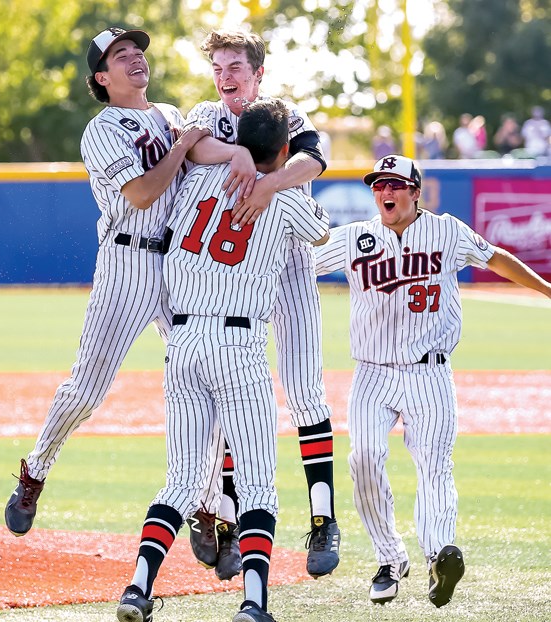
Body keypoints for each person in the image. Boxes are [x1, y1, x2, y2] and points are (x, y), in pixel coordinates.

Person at [116, 98, 330, 622]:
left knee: (182, 482)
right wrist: (276, 181)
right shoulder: (285, 200)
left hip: (183, 342)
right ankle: (253, 604)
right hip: (240, 346)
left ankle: (137, 590)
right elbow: (321, 233)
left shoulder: (193, 180)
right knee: (258, 485)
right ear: (283, 148)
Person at [313, 156, 551, 608]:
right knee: (364, 457)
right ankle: (388, 557)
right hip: (373, 372)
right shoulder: (353, 239)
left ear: (415, 192)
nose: (386, 190)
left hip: (430, 372)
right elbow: (296, 266)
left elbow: (496, 258)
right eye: (379, 183)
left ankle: (438, 554)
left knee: (434, 464)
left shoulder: (446, 231)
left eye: (396, 184)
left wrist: (546, 290)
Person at [3, 28, 209, 537]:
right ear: (102, 77)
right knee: (87, 391)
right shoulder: (102, 128)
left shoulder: (169, 114)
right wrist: (184, 142)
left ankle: (208, 506)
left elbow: (204, 165)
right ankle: (36, 469)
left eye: (137, 50)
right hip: (128, 263)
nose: (135, 56)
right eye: (121, 55)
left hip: (182, 266)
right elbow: (140, 193)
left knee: (203, 383)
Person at [183, 28, 340, 581]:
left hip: (288, 260)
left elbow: (314, 160)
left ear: (258, 74)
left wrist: (268, 182)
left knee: (303, 388)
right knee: (231, 392)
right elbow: (196, 146)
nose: (226, 76)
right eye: (220, 66)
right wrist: (241, 156)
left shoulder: (285, 115)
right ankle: (225, 519)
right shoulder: (207, 111)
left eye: (236, 67)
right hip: (230, 276)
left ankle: (323, 518)